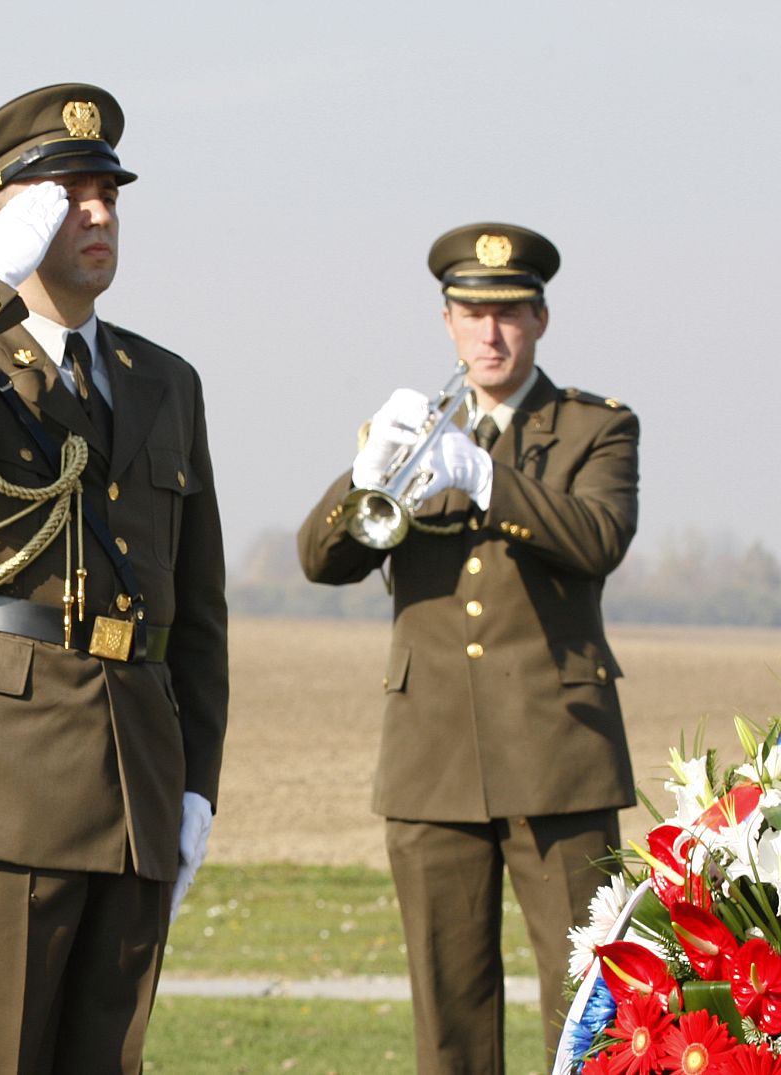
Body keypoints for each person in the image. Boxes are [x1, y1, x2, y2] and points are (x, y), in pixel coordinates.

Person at [0, 83, 229, 1073]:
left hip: (135, 769)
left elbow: (195, 613)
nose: (100, 210)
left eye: (109, 191)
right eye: (69, 193)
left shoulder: (165, 380)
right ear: (9, 216)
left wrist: (196, 786)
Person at [297, 223, 638, 1073]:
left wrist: (487, 479)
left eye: (510, 312)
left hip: (561, 755)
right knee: (448, 1015)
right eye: (472, 312)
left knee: (589, 1010)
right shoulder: (412, 429)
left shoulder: (598, 427)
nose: (491, 333)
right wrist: (370, 472)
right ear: (447, 320)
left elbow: (598, 538)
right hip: (433, 758)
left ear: (541, 319)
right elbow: (321, 559)